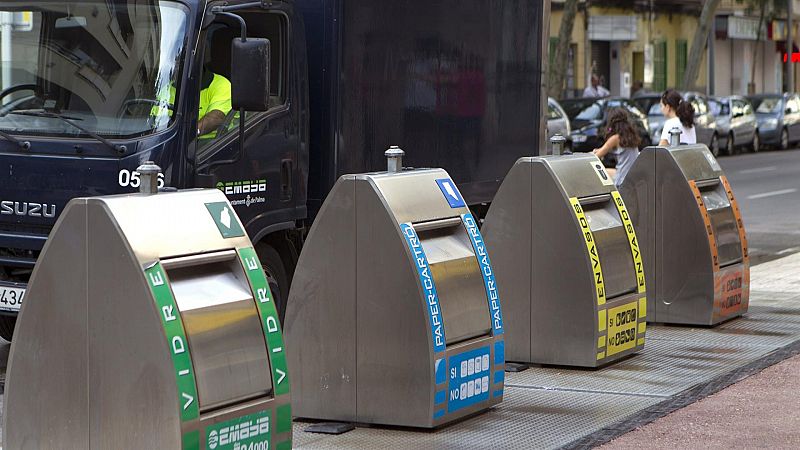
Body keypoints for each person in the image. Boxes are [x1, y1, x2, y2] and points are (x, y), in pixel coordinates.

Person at [592, 108, 641, 187]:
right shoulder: (631, 137)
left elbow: (597, 156)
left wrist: (588, 154)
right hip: (633, 179)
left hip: (622, 181)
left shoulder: (615, 138)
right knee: (607, 171)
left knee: (598, 172)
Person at [196, 54, 232, 138]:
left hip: (212, 142)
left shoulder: (222, 85)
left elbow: (215, 118)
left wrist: (187, 134)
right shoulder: (168, 86)